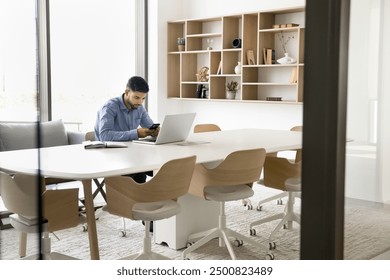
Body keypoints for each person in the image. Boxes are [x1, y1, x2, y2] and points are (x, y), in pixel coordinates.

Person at [94, 76, 159, 184]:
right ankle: (129, 196)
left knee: (162, 166)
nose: (140, 102)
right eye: (136, 97)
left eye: (143, 98)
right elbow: (104, 136)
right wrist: (136, 133)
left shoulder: (139, 108)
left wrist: (156, 131)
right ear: (127, 92)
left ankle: (147, 194)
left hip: (131, 153)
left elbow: (150, 126)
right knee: (140, 169)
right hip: (109, 155)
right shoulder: (110, 107)